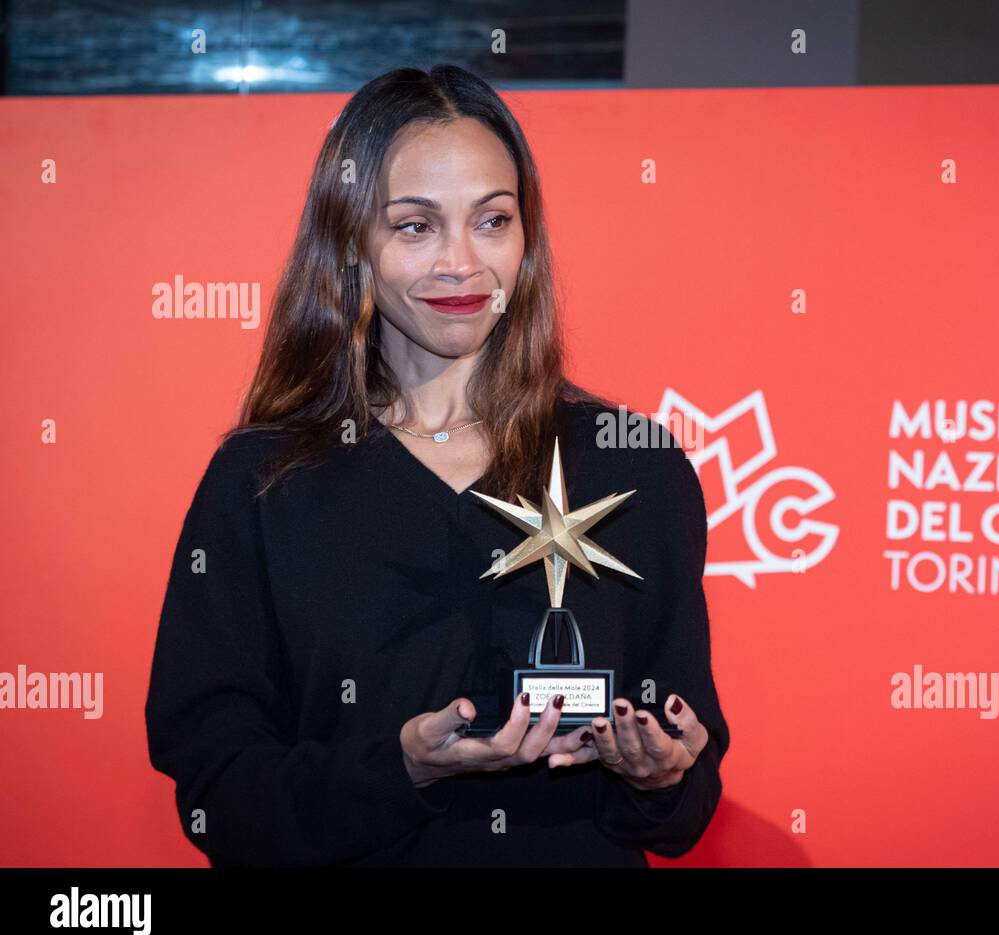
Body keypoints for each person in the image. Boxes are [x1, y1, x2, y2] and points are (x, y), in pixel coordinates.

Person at [143, 64, 728, 867]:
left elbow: (685, 807)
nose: (462, 263)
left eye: (492, 220)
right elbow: (220, 795)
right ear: (352, 241)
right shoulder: (262, 482)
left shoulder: (637, 468)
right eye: (415, 227)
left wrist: (661, 775)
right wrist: (403, 768)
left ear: (527, 238)